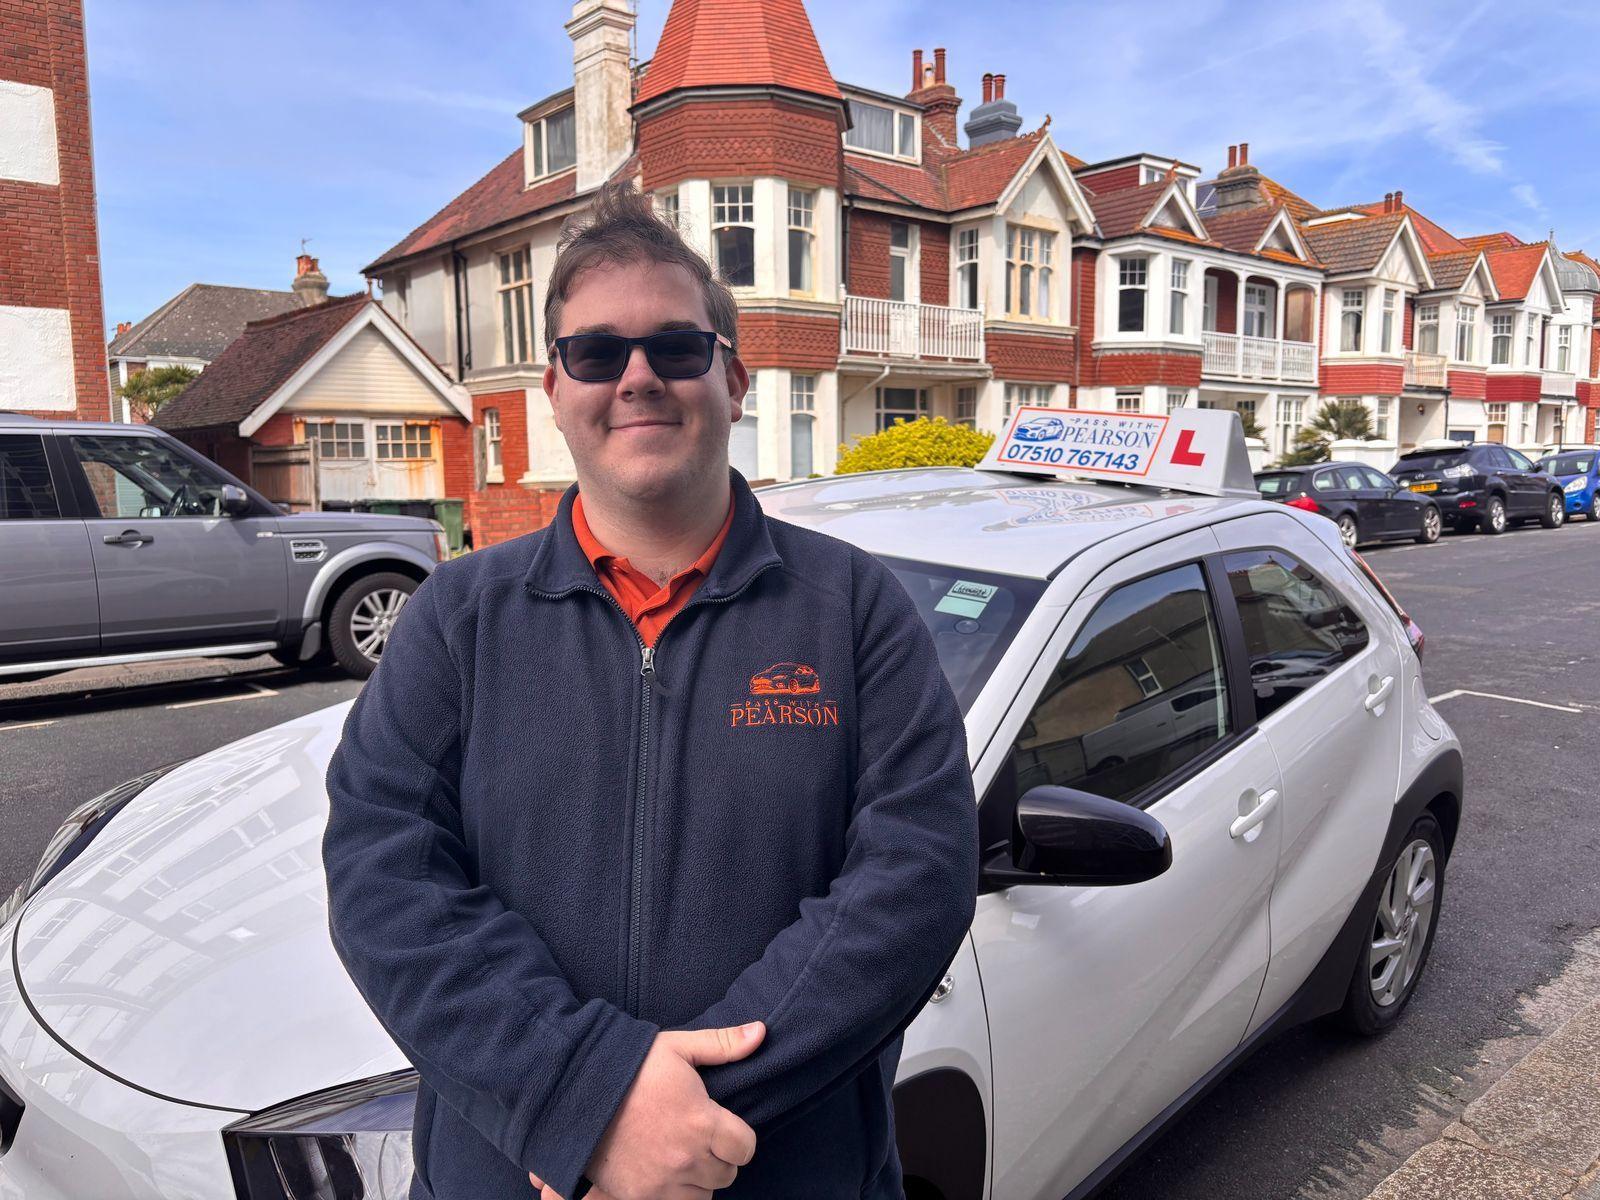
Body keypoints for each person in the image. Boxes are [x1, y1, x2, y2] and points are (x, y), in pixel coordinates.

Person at [321, 182, 978, 1200]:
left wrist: (674, 1120)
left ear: (735, 377)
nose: (637, 378)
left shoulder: (854, 611)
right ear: (554, 387)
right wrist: (579, 1099)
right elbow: (385, 884)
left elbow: (912, 881)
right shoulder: (458, 619)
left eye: (676, 348)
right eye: (597, 352)